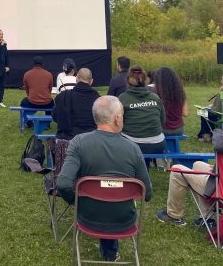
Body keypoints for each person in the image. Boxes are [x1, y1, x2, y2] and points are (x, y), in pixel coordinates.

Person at [57, 96, 153, 262]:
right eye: (122, 114)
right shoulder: (133, 149)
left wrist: (76, 201)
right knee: (113, 196)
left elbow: (63, 184)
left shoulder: (78, 143)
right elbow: (148, 193)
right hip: (124, 221)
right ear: (117, 118)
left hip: (87, 216)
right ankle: (110, 253)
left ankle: (108, 250)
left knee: (105, 194)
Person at [117, 66, 166, 154]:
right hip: (157, 144)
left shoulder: (122, 98)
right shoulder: (155, 97)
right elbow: (163, 120)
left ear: (128, 80)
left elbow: (118, 123)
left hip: (132, 143)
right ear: (146, 79)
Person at [52, 68, 99, 140]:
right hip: (91, 141)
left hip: (68, 140)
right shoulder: (99, 100)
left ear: (76, 79)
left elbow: (55, 117)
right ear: (91, 81)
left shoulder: (63, 96)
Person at [152, 67, 188, 136]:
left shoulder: (155, 94)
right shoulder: (180, 93)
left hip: (162, 129)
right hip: (179, 129)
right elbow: (185, 113)